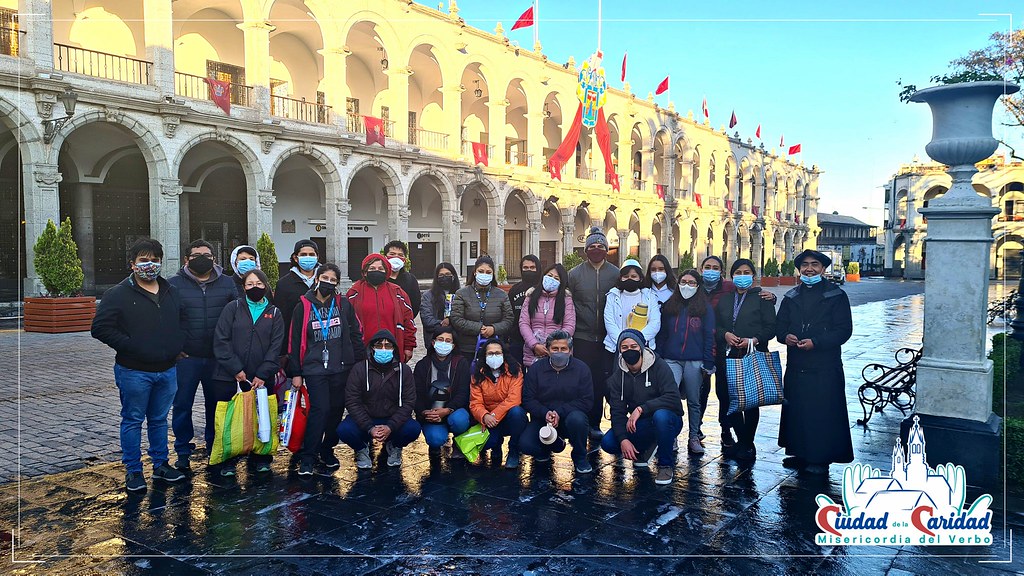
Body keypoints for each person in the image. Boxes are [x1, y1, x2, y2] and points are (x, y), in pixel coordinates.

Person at [91, 237, 187, 492]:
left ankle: (161, 465)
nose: (150, 265)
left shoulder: (170, 290)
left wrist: (177, 345)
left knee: (159, 420)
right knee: (132, 420)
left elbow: (182, 320)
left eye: (155, 260)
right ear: (132, 263)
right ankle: (133, 470)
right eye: (144, 260)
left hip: (167, 370)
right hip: (134, 371)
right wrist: (132, 345)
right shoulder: (117, 294)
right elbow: (100, 328)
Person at [776, 249, 854, 476]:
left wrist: (817, 342)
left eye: (814, 264)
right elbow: (780, 327)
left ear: (823, 269)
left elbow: (844, 330)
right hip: (797, 363)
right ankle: (799, 452)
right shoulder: (791, 296)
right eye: (805, 265)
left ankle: (820, 458)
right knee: (797, 410)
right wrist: (786, 336)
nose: (809, 269)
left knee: (821, 412)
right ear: (799, 269)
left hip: (824, 365)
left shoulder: (836, 295)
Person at [167, 239, 239, 472]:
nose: (202, 259)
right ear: (186, 259)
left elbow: (237, 318)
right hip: (186, 358)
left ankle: (215, 448)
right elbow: (166, 319)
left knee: (217, 405)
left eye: (206, 255)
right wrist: (174, 348)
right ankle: (182, 451)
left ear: (214, 259)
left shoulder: (227, 283)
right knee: (182, 404)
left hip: (218, 359)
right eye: (196, 255)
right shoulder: (173, 284)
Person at [287, 263, 366, 476]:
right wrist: (296, 373)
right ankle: (308, 456)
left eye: (333, 280)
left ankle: (327, 449)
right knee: (320, 410)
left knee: (336, 410)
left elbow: (356, 333)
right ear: (316, 279)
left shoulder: (343, 304)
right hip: (314, 369)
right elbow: (294, 340)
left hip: (341, 368)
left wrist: (360, 362)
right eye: (325, 278)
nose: (328, 283)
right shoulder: (302, 306)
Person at [210, 269, 284, 475]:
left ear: (266, 286)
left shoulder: (275, 313)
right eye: (250, 284)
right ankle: (228, 459)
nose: (255, 288)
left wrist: (263, 374)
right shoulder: (232, 308)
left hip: (262, 377)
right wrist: (236, 369)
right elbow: (221, 339)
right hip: (230, 375)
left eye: (259, 284)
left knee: (262, 417)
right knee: (230, 418)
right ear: (243, 287)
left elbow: (276, 346)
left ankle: (261, 457)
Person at [699, 254, 775, 449]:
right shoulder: (726, 299)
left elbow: (771, 327)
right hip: (727, 355)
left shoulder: (762, 298)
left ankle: (747, 442)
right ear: (731, 277)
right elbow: (717, 325)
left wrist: (755, 340)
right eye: (738, 273)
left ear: (753, 276)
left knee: (750, 400)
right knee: (727, 397)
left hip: (751, 354)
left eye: (746, 272)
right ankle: (740, 437)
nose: (742, 276)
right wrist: (725, 335)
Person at [601, 329, 683, 485]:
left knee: (661, 417)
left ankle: (665, 465)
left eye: (634, 346)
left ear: (642, 347)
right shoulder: (618, 375)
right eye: (624, 347)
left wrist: (641, 408)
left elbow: (673, 398)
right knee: (608, 442)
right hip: (642, 424)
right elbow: (617, 411)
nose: (629, 350)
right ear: (619, 350)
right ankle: (646, 447)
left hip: (668, 420)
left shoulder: (659, 365)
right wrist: (624, 439)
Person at [338, 330, 420, 469]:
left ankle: (394, 446)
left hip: (392, 418)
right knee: (344, 430)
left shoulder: (404, 371)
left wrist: (391, 426)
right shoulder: (359, 369)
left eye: (388, 346)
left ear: (394, 349)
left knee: (413, 429)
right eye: (379, 345)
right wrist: (369, 428)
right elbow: (352, 401)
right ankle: (361, 448)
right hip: (366, 418)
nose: (383, 349)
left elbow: (409, 402)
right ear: (371, 348)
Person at [655, 268, 715, 455]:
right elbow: (662, 334)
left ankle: (694, 436)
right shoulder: (669, 306)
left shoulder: (705, 308)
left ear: (698, 286)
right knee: (670, 398)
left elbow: (709, 336)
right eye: (683, 282)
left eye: (691, 283)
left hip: (694, 360)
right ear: (678, 284)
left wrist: (708, 362)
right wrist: (659, 356)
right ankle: (671, 435)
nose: (687, 286)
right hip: (671, 359)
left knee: (694, 400)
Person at [567, 227, 619, 439]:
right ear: (585, 250)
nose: (596, 249)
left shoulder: (615, 274)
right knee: (583, 381)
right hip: (582, 337)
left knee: (602, 382)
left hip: (608, 339)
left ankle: (599, 422)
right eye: (592, 246)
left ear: (606, 249)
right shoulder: (574, 274)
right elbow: (565, 299)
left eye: (600, 246)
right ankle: (583, 422)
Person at [518, 330, 594, 473]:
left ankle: (580, 457)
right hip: (542, 419)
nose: (559, 352)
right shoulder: (536, 369)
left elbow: (586, 401)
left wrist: (560, 412)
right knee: (526, 445)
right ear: (547, 350)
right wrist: (545, 413)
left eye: (563, 349)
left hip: (570, 418)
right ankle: (547, 447)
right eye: (555, 349)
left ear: (570, 350)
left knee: (578, 420)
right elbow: (528, 399)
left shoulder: (582, 369)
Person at [468, 338, 528, 468]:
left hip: (507, 417)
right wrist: (484, 416)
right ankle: (496, 446)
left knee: (517, 412)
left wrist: (494, 415)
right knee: (488, 443)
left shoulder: (515, 370)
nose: (494, 356)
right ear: (484, 356)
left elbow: (514, 399)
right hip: (488, 419)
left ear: (503, 354)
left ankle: (513, 449)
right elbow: (475, 402)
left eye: (498, 353)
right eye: (490, 353)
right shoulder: (477, 373)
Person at [347, 254, 417, 362]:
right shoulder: (354, 293)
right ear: (365, 272)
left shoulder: (398, 293)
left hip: (392, 348)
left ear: (386, 271)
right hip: (363, 349)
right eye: (372, 268)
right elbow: (348, 323)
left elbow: (409, 322)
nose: (376, 271)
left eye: (380, 269)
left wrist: (409, 346)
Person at [413, 327, 472, 455]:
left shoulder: (461, 363)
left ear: (453, 345)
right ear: (433, 342)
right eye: (440, 339)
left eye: (448, 341)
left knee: (460, 420)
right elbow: (416, 394)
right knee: (435, 439)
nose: (444, 343)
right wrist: (424, 412)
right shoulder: (422, 365)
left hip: (453, 411)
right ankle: (435, 445)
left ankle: (458, 442)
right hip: (431, 414)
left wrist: (447, 410)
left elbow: (463, 393)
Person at [450, 256, 514, 358]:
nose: (484, 274)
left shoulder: (502, 295)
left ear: (493, 274)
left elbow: (509, 319)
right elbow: (456, 319)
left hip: (494, 348)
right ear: (475, 272)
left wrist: (494, 329)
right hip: (467, 348)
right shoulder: (461, 293)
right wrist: (478, 328)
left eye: (488, 272)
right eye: (481, 271)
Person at [519, 263, 575, 368]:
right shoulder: (531, 296)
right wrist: (534, 345)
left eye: (556, 278)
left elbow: (569, 326)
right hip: (533, 352)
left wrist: (552, 345)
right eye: (549, 276)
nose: (552, 279)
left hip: (558, 352)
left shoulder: (566, 299)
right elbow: (524, 323)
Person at [603, 258, 662, 355]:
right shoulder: (612, 296)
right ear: (621, 278)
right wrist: (623, 342)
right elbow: (609, 322)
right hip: (616, 348)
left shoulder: (650, 296)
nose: (629, 279)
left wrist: (637, 341)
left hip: (644, 347)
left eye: (634, 276)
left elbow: (655, 323)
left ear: (640, 278)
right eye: (626, 276)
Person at [276, 239, 321, 359]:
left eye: (311, 254)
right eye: (303, 254)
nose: (308, 258)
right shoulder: (284, 284)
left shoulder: (324, 281)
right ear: (296, 258)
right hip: (295, 341)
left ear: (317, 257)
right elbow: (281, 319)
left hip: (321, 339)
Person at [506, 255, 541, 369]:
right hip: (517, 340)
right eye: (525, 268)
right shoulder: (515, 290)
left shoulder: (543, 289)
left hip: (539, 341)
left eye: (532, 267)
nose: (529, 270)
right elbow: (509, 314)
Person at [420, 263, 460, 349]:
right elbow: (427, 320)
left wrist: (450, 321)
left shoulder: (461, 294)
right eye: (441, 275)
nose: (444, 277)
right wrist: (443, 324)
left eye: (448, 274)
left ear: (453, 276)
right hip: (434, 340)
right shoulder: (428, 296)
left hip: (458, 341)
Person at [383, 240, 422, 319]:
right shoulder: (380, 278)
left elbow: (415, 304)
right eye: (392, 254)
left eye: (400, 255)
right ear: (385, 257)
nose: (396, 257)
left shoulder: (410, 279)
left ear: (404, 259)